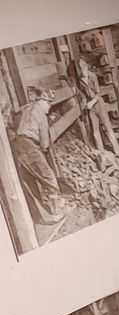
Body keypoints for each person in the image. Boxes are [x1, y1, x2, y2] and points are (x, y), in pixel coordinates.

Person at [8, 87, 61, 228]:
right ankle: (54, 212)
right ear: (41, 101)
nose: (49, 106)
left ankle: (41, 216)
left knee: (30, 182)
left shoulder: (26, 108)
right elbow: (44, 143)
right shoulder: (40, 113)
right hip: (29, 146)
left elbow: (13, 121)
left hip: (17, 145)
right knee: (49, 178)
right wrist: (43, 151)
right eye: (48, 103)